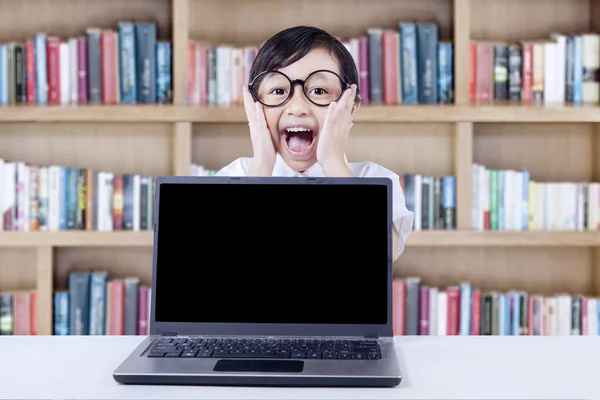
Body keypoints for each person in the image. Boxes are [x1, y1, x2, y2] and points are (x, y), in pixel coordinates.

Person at [216, 25, 414, 260]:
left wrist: (332, 162)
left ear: (350, 108)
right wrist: (261, 166)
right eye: (278, 90)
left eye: (319, 90)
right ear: (254, 106)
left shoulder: (377, 182)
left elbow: (376, 258)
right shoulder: (235, 175)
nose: (298, 108)